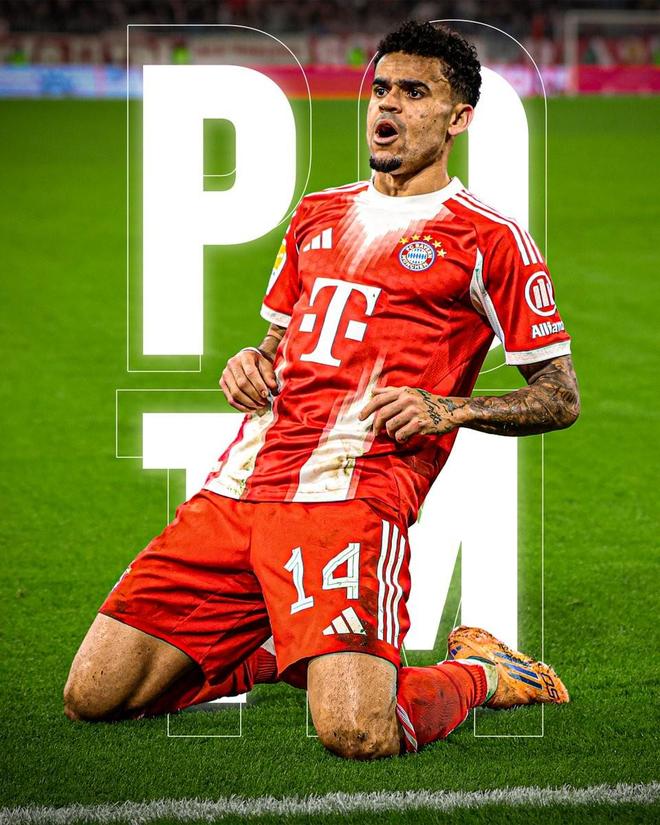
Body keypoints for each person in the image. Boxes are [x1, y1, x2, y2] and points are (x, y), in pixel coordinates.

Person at [64, 21, 580, 759]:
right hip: (240, 488)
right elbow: (274, 346)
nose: (388, 104)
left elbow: (560, 395)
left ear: (458, 119)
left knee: (358, 732)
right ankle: (293, 645)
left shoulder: (489, 239)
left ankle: (483, 672)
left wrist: (448, 408)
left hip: (352, 498)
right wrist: (249, 362)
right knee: (95, 695)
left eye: (414, 92)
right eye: (381, 89)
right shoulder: (317, 214)